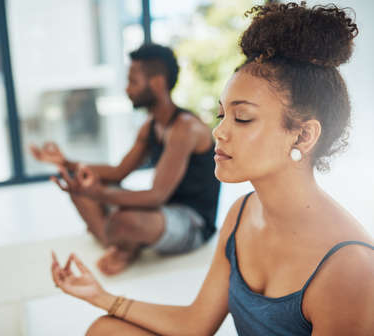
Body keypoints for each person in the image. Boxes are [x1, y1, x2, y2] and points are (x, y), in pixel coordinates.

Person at [50, 2, 374, 335]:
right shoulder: (241, 213)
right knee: (106, 329)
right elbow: (196, 324)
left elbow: (156, 194)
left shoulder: (350, 267)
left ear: (304, 135)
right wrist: (101, 296)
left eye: (243, 118)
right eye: (222, 115)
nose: (219, 131)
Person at [31, 44, 220, 275]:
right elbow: (118, 172)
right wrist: (67, 163)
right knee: (81, 181)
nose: (127, 90)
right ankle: (121, 244)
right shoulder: (151, 127)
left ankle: (118, 239)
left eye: (133, 81)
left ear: (157, 83)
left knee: (125, 219)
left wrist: (98, 194)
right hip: (161, 210)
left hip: (192, 222)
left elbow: (155, 196)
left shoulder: (185, 128)